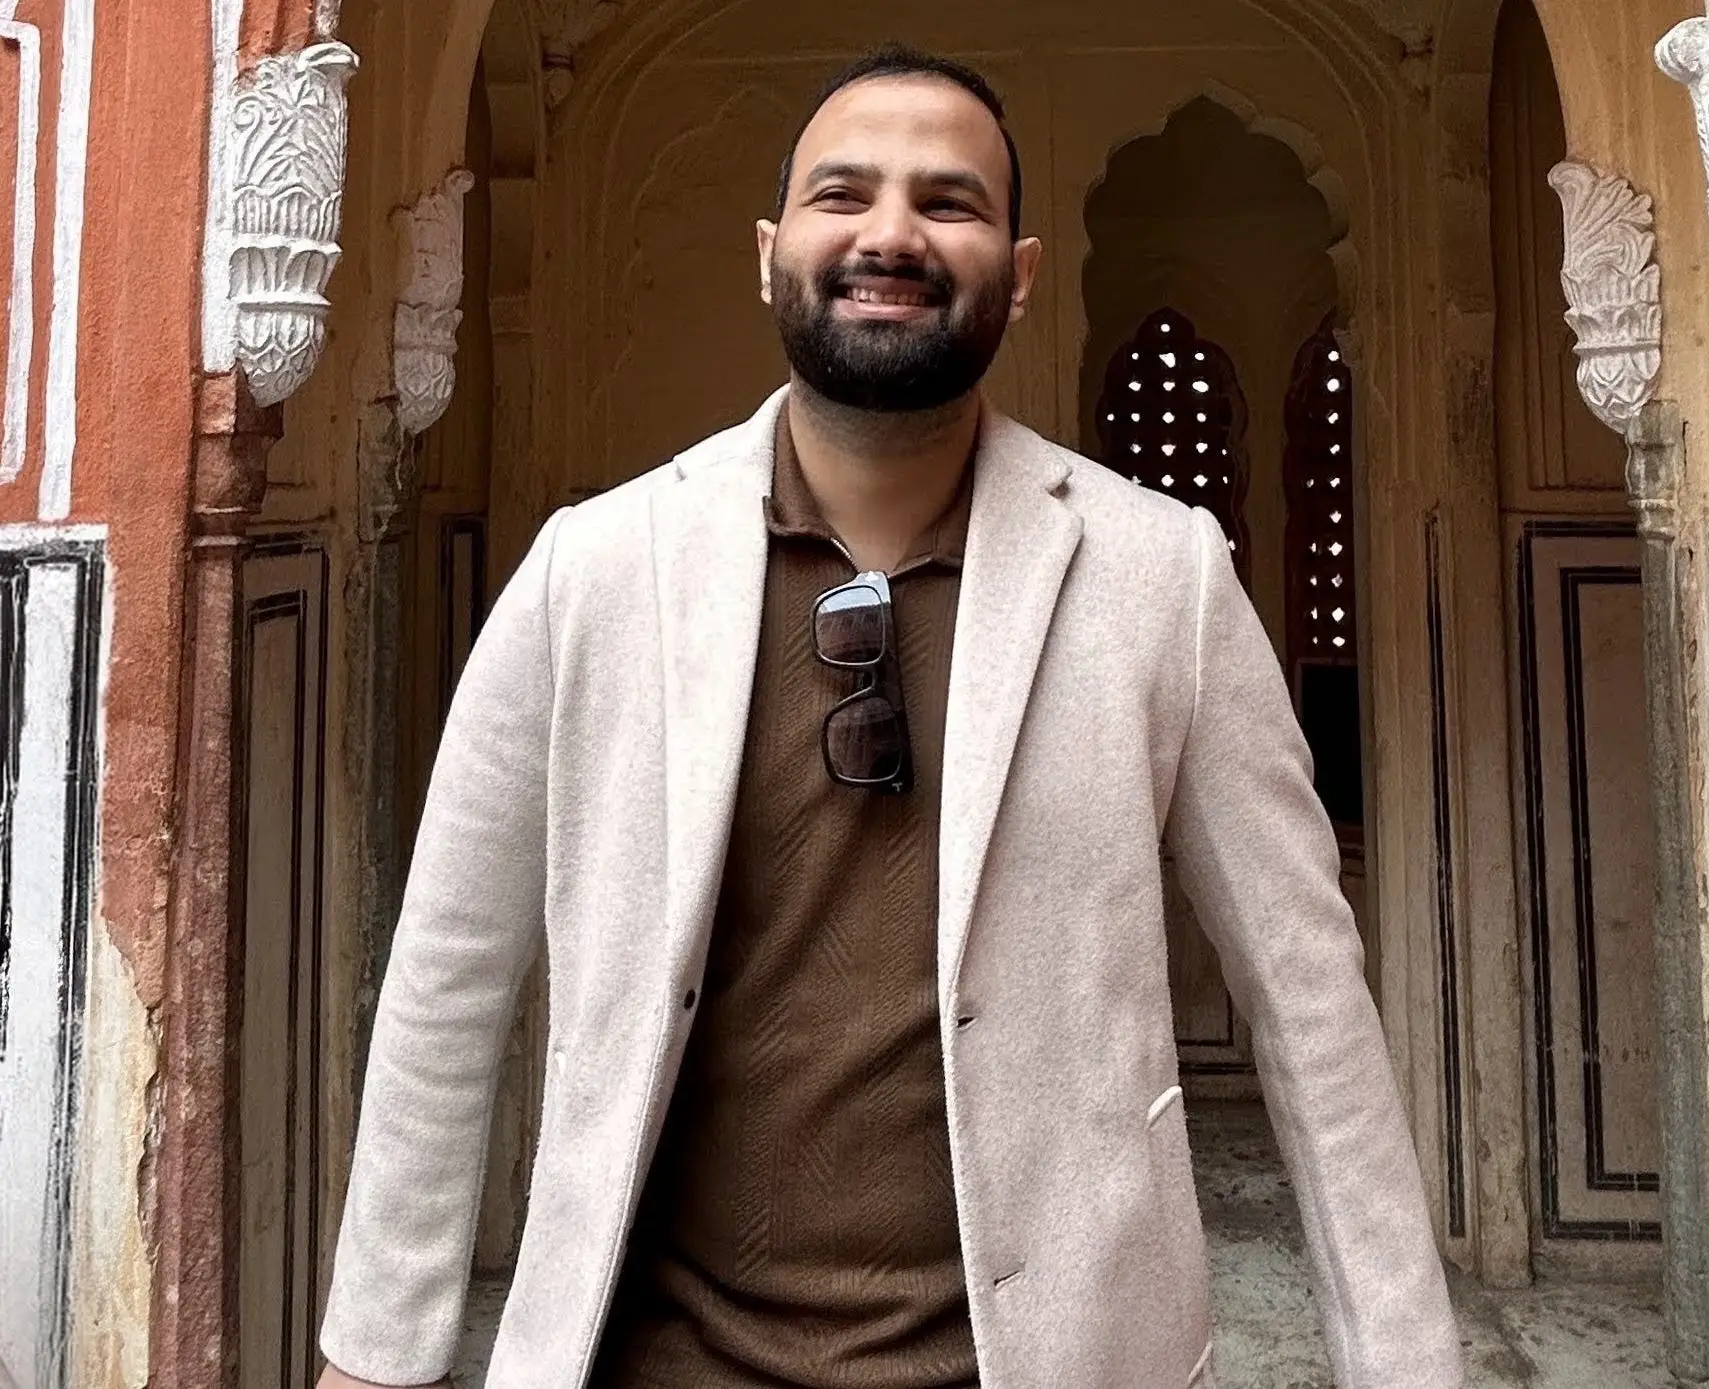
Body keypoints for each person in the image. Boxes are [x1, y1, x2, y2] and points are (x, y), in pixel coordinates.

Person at [317, 43, 1462, 1389]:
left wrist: (1405, 1360)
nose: (891, 235)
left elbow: (1308, 995)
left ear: (1021, 274)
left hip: (1056, 1354)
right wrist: (374, 1357)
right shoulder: (599, 570)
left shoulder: (1160, 576)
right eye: (844, 194)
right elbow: (451, 972)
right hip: (658, 1358)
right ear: (770, 250)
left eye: (949, 202)